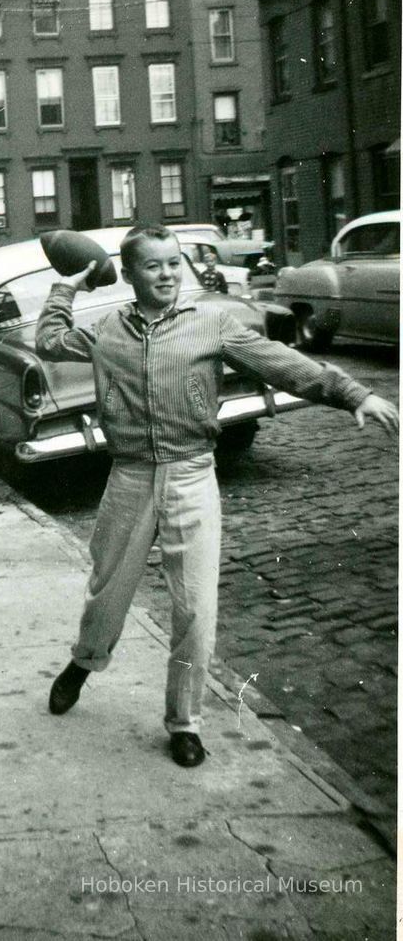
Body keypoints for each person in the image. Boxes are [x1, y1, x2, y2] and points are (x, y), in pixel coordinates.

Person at [36, 224, 398, 768]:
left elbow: (283, 364)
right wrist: (72, 284)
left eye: (173, 263)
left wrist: (352, 394)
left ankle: (184, 722)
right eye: (153, 265)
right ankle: (83, 663)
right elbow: (48, 338)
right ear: (129, 273)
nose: (165, 274)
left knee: (196, 609)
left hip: (191, 475)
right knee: (107, 593)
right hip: (130, 478)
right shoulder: (107, 331)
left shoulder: (212, 325)